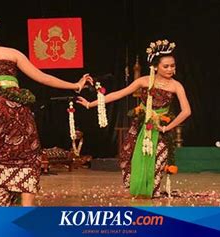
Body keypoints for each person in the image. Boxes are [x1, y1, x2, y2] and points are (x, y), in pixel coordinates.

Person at [0, 4, 92, 206]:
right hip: (15, 112)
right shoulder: (12, 53)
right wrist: (75, 85)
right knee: (26, 156)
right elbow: (43, 78)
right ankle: (26, 209)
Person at [77, 39, 191, 198]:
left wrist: (166, 127)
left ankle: (153, 193)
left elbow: (186, 111)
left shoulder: (176, 85)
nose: (170, 69)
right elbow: (118, 94)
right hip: (141, 125)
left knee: (157, 161)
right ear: (155, 66)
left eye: (173, 66)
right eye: (166, 66)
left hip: (161, 128)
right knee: (127, 155)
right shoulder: (144, 81)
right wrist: (91, 104)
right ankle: (137, 189)